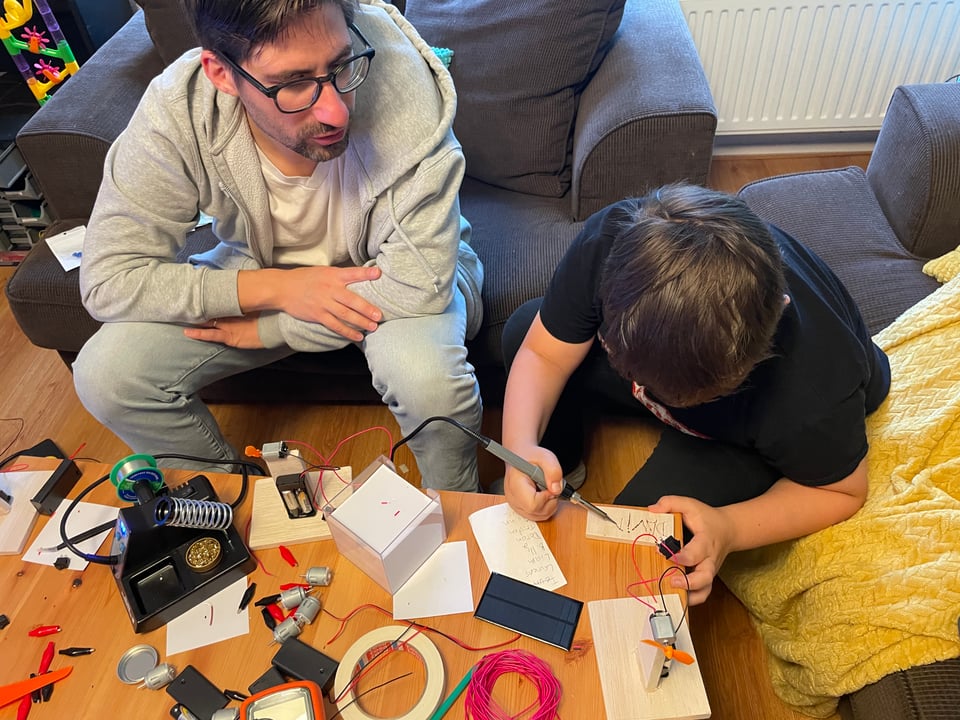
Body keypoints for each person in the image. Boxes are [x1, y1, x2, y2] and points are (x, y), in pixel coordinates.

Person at [73, 0, 485, 492]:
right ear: (221, 74)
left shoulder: (402, 83)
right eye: (292, 84)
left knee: (430, 383)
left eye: (340, 65)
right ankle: (227, 499)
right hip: (264, 264)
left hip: (394, 269)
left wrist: (274, 326)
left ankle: (460, 504)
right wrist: (278, 289)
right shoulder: (178, 110)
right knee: (108, 376)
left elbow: (419, 287)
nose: (334, 109)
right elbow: (108, 280)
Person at [500, 184, 890, 603]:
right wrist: (520, 449)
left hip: (747, 436)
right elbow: (542, 352)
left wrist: (728, 528)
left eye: (689, 397)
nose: (650, 396)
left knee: (645, 545)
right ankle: (562, 464)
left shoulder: (814, 390)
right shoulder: (613, 239)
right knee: (524, 327)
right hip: (697, 367)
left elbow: (843, 491)